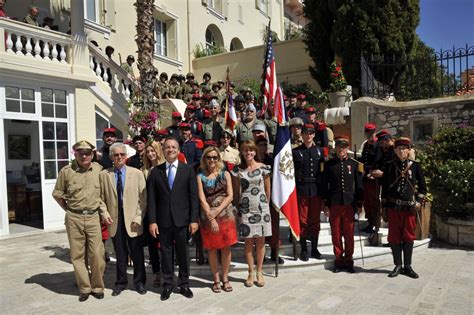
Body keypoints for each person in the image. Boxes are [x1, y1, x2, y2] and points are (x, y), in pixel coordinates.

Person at [52, 140, 105, 302]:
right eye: (80, 152)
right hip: (74, 217)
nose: (84, 155)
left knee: (97, 254)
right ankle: (84, 288)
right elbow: (57, 194)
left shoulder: (99, 170)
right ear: (74, 153)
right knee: (77, 255)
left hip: (93, 217)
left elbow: (104, 194)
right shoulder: (66, 172)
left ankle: (97, 286)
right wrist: (69, 210)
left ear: (92, 154)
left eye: (87, 152)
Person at [147, 137, 199, 301]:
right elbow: (152, 199)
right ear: (163, 150)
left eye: (173, 147)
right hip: (163, 221)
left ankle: (184, 284)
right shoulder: (156, 172)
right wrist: (152, 221)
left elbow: (193, 197)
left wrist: (193, 220)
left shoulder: (188, 170)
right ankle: (168, 284)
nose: (170, 149)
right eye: (167, 147)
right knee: (166, 253)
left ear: (178, 150)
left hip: (182, 220)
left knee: (183, 254)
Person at [99, 143, 147, 296]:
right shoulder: (104, 175)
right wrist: (104, 213)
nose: (119, 157)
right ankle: (121, 282)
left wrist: (139, 217)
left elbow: (143, 198)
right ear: (111, 157)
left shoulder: (137, 173)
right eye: (116, 155)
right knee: (120, 253)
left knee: (137, 253)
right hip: (114, 219)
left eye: (122, 154)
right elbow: (99, 198)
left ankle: (139, 282)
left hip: (133, 219)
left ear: (126, 156)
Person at [382, 137, 427, 279]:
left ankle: (407, 266)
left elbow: (423, 187)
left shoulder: (415, 166)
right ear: (395, 151)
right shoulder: (389, 166)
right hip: (394, 207)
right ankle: (397, 265)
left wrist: (418, 202)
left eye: (404, 149)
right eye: (398, 149)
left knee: (408, 236)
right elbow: (384, 188)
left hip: (409, 208)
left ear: (408, 151)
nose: (401, 151)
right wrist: (384, 207)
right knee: (394, 237)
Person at [196, 147, 237, 293]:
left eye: (215, 157)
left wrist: (217, 211)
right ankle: (216, 279)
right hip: (207, 217)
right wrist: (211, 217)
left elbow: (230, 195)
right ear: (204, 159)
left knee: (226, 248)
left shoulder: (225, 174)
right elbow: (201, 198)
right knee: (212, 248)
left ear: (219, 159)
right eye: (209, 157)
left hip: (226, 215)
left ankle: (225, 278)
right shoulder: (200, 176)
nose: (212, 160)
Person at [231, 140, 272, 287]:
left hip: (262, 209)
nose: (249, 153)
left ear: (255, 151)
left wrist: (264, 206)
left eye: (251, 150)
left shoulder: (264, 168)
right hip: (245, 209)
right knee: (248, 241)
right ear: (241, 152)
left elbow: (268, 190)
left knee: (260, 242)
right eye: (245, 150)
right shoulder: (238, 170)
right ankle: (250, 271)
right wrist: (237, 209)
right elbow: (236, 193)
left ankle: (259, 271)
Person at [321, 136, 363, 273]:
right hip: (334, 203)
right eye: (339, 147)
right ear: (335, 148)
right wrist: (326, 204)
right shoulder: (329, 165)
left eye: (344, 147)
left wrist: (359, 203)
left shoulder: (355, 164)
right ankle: (339, 260)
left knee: (349, 234)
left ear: (348, 149)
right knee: (336, 234)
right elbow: (325, 186)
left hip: (349, 204)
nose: (341, 150)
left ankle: (349, 260)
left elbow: (359, 186)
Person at [292, 124, 326, 261]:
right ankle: (304, 249)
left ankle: (315, 248)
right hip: (302, 190)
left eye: (311, 133)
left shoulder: (319, 152)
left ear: (314, 135)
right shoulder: (296, 152)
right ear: (302, 135)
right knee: (303, 220)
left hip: (316, 190)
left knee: (315, 221)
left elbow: (323, 173)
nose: (308, 136)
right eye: (306, 133)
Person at [141, 141, 165, 287]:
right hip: (149, 212)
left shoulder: (165, 166)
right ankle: (157, 273)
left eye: (152, 151)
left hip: (165, 212)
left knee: (166, 246)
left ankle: (167, 271)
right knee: (152, 245)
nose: (150, 154)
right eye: (148, 151)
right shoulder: (143, 170)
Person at [358, 122, 378, 233]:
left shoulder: (377, 145)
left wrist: (371, 170)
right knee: (367, 201)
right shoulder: (366, 144)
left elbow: (377, 160)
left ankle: (375, 223)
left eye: (372, 133)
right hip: (365, 176)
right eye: (368, 133)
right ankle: (370, 222)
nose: (370, 135)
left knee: (373, 201)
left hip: (373, 178)